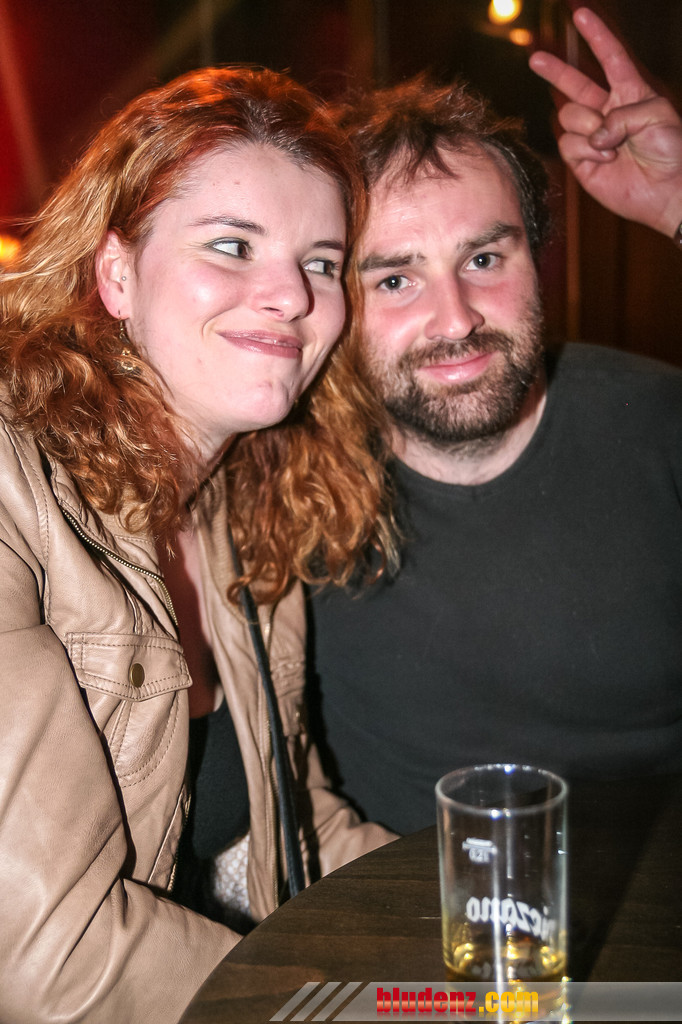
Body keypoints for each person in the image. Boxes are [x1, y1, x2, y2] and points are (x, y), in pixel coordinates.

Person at [0, 67, 394, 1024]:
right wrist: (371, 1007)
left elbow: (293, 826)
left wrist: (485, 903)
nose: (291, 296)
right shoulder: (11, 487)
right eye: (232, 245)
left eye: (321, 262)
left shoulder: (238, 511)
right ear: (116, 274)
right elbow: (46, 958)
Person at [306, 8, 682, 836]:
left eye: (483, 259)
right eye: (395, 280)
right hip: (405, 910)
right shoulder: (290, 490)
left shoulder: (662, 426)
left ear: (536, 257)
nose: (456, 318)